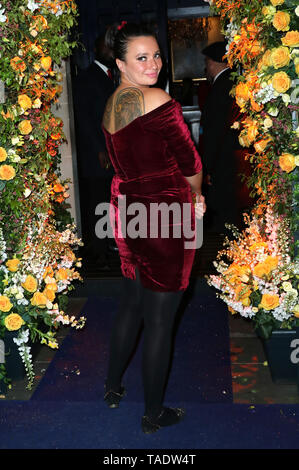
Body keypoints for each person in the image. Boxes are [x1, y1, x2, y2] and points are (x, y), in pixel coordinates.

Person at [101, 22, 205, 434]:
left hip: (128, 213)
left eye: (157, 55)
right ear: (121, 62)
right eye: (142, 57)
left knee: (131, 304)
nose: (154, 64)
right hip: (165, 215)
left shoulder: (113, 103)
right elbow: (191, 164)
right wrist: (196, 194)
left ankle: (112, 387)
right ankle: (153, 413)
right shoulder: (158, 99)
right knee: (160, 320)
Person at [73, 35, 116, 269]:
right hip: (95, 155)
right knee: (97, 202)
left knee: (108, 202)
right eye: (106, 45)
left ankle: (107, 247)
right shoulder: (87, 78)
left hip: (110, 153)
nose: (110, 50)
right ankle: (98, 254)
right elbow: (85, 119)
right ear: (96, 47)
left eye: (113, 46)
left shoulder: (112, 76)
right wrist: (100, 149)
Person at [200, 41, 241, 233]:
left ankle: (228, 256)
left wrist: (207, 167)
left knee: (225, 214)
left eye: (207, 62)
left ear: (216, 63)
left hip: (222, 161)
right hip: (232, 158)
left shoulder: (219, 89)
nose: (206, 67)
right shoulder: (232, 82)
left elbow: (214, 132)